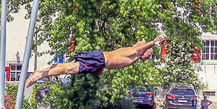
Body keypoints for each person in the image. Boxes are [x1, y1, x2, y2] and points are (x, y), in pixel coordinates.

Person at [26, 37, 165, 86]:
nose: (149, 58)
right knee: (68, 70)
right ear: (145, 51)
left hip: (99, 59)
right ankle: (40, 75)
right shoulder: (135, 53)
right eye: (150, 55)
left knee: (66, 66)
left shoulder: (132, 51)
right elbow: (141, 47)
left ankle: (41, 71)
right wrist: (152, 43)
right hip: (99, 61)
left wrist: (145, 42)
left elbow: (140, 44)